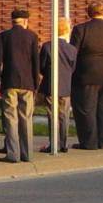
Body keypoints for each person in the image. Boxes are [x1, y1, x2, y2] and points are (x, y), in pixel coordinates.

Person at [69, 2, 103, 150]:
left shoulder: (80, 29)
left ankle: (89, 142)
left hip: (87, 73)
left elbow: (73, 53)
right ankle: (102, 141)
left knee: (86, 108)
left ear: (88, 13)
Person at [0, 9, 40, 163]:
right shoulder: (32, 36)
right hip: (27, 83)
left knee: (10, 117)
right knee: (26, 117)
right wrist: (36, 84)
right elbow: (35, 63)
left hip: (9, 82)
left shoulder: (3, 37)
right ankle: (27, 154)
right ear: (25, 21)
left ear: (12, 21)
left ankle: (13, 153)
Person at [38, 17, 77, 153]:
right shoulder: (72, 49)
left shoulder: (47, 46)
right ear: (67, 30)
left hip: (50, 85)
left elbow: (41, 66)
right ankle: (63, 143)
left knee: (52, 116)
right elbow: (73, 68)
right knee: (64, 116)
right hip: (66, 86)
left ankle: (53, 142)